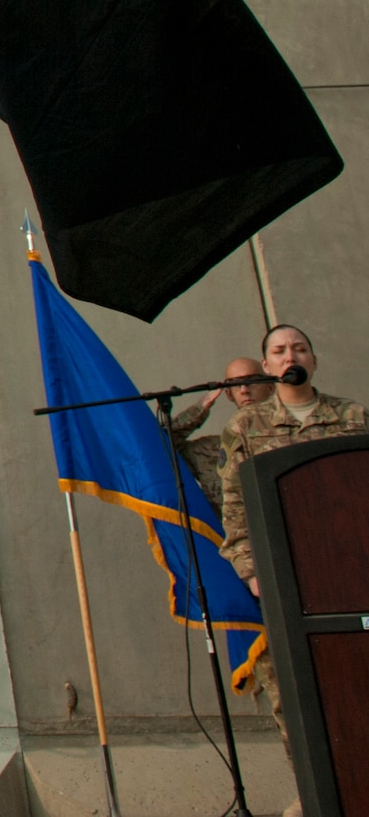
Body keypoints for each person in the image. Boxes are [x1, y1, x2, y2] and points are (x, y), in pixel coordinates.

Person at [218, 322, 366, 753]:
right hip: (286, 574)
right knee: (296, 691)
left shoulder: (354, 417)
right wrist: (252, 572)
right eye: (280, 351)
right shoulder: (246, 426)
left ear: (313, 361)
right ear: (266, 366)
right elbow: (235, 506)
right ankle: (312, 793)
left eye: (300, 349)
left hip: (350, 572)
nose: (291, 357)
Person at [167, 356, 264, 512]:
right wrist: (198, 410)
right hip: (233, 535)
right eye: (236, 384)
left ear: (271, 387)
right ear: (229, 394)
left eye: (252, 381)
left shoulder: (291, 436)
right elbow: (159, 445)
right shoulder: (209, 450)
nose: (244, 390)